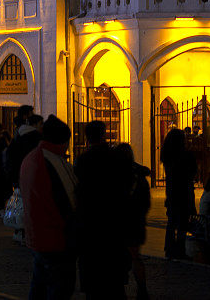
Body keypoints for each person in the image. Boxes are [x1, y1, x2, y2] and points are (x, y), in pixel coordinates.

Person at [20, 115, 77, 300]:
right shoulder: (55, 162)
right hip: (56, 239)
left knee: (39, 288)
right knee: (59, 290)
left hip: (36, 236)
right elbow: (71, 203)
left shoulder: (31, 157)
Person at [75, 121, 133, 299]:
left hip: (90, 224)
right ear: (104, 134)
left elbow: (78, 191)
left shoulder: (82, 160)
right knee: (114, 281)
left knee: (93, 281)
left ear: (87, 137)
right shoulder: (115, 157)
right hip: (113, 223)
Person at [115, 143, 151, 300]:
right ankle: (142, 289)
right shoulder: (140, 178)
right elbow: (146, 203)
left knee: (117, 259)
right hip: (136, 224)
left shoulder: (113, 177)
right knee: (136, 258)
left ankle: (120, 289)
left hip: (119, 224)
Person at [161, 128, 196, 260]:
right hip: (184, 193)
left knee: (171, 222)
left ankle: (169, 248)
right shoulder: (186, 156)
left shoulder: (167, 156)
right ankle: (180, 249)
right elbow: (192, 172)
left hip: (171, 193)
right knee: (182, 223)